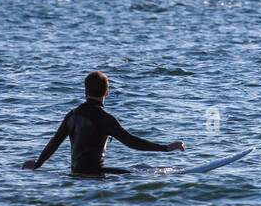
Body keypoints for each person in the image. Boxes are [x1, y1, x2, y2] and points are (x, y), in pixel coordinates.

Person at [22, 71, 184, 174]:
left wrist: (37, 164)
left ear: (85, 91)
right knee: (136, 173)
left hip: (75, 175)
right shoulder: (104, 118)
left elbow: (55, 142)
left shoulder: (72, 115)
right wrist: (166, 148)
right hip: (96, 176)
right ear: (107, 92)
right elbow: (130, 142)